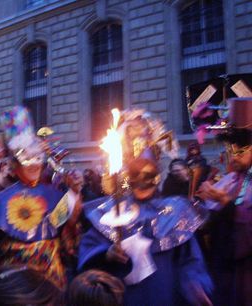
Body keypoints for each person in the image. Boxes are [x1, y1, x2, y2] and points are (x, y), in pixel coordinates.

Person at [78, 109, 212, 306]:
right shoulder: (109, 213)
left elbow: (190, 263)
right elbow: (88, 252)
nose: (142, 181)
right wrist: (107, 254)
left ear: (157, 175)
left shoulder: (176, 213)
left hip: (164, 297)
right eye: (136, 174)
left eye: (148, 174)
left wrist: (196, 286)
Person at [0, 106, 82, 289]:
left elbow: (67, 240)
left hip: (52, 284)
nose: (33, 164)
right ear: (13, 162)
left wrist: (74, 197)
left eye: (37, 157)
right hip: (16, 286)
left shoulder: (54, 196)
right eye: (25, 157)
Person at [196, 128, 252, 306]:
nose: (234, 157)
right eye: (231, 151)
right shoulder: (232, 178)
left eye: (240, 151)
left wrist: (226, 202)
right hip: (226, 267)